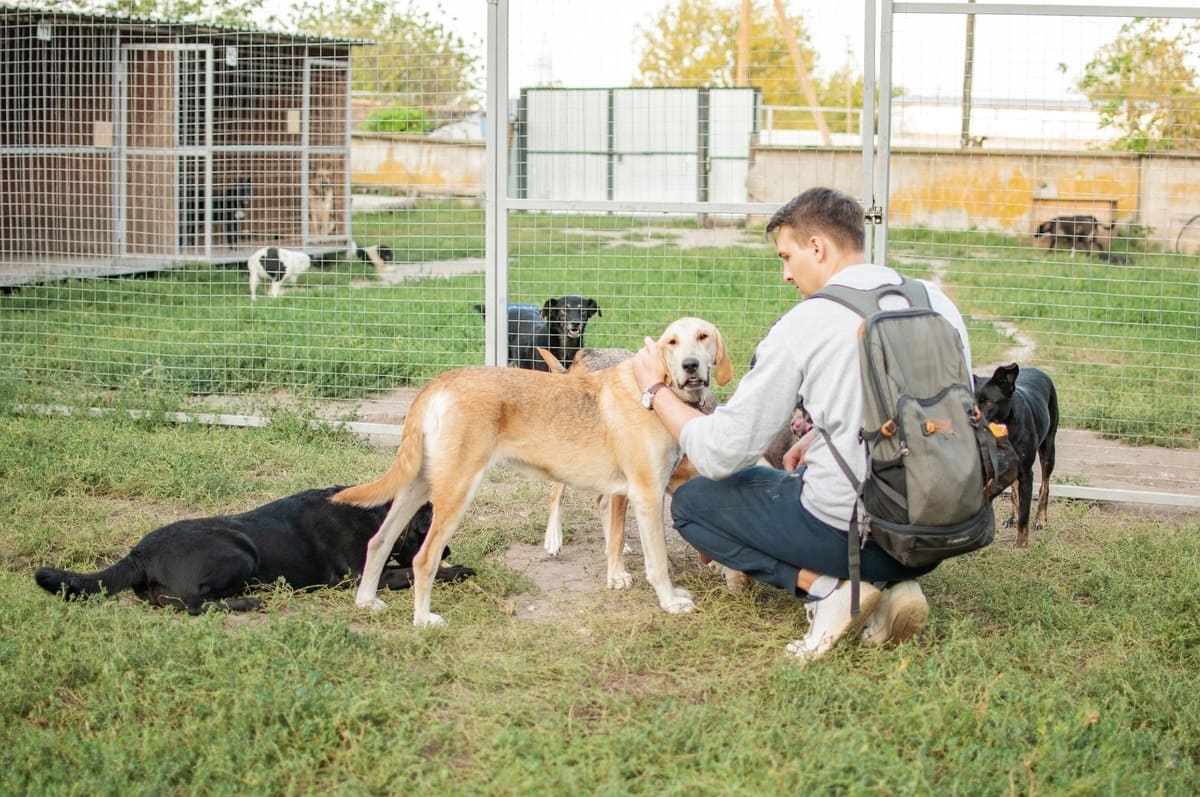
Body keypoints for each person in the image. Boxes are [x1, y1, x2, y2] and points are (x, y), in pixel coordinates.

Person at [632, 186, 974, 664]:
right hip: (942, 531)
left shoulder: (807, 322)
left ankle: (832, 590)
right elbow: (937, 410)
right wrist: (820, 435)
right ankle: (895, 586)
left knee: (692, 503)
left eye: (787, 256)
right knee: (792, 477)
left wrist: (655, 390)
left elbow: (718, 453)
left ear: (818, 247)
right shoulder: (934, 300)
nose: (786, 273)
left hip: (855, 536)